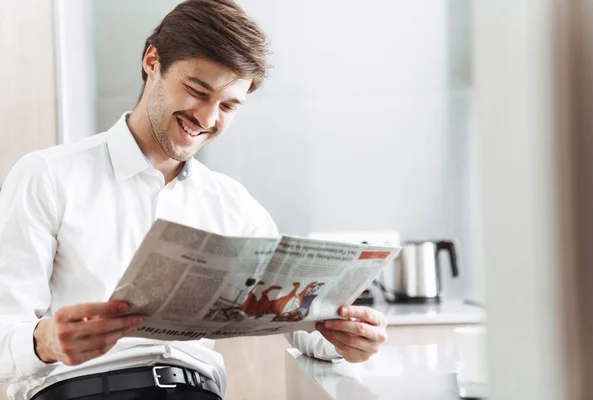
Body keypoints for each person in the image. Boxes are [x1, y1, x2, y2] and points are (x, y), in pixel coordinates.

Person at [0, 1, 389, 399]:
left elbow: (296, 322)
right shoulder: (47, 176)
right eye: (196, 91)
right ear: (153, 61)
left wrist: (349, 336)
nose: (207, 118)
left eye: (228, 106)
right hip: (86, 389)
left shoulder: (232, 204)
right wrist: (44, 341)